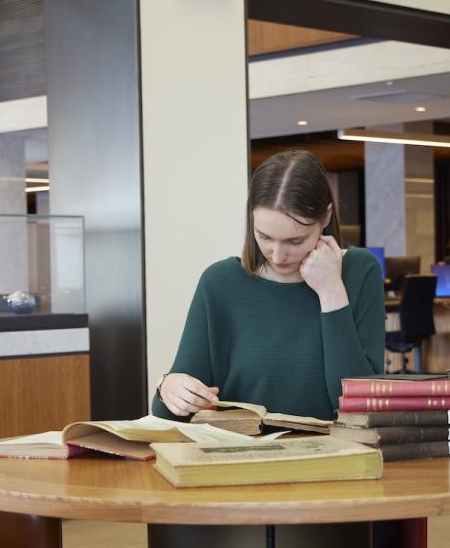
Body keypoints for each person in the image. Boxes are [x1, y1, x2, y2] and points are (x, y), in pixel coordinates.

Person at [152, 148, 384, 422]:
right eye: (264, 236)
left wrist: (331, 290)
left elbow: (360, 407)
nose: (277, 255)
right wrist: (167, 388)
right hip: (241, 457)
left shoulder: (359, 272)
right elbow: (170, 414)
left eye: (295, 241)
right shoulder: (220, 283)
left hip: (333, 458)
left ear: (326, 218)